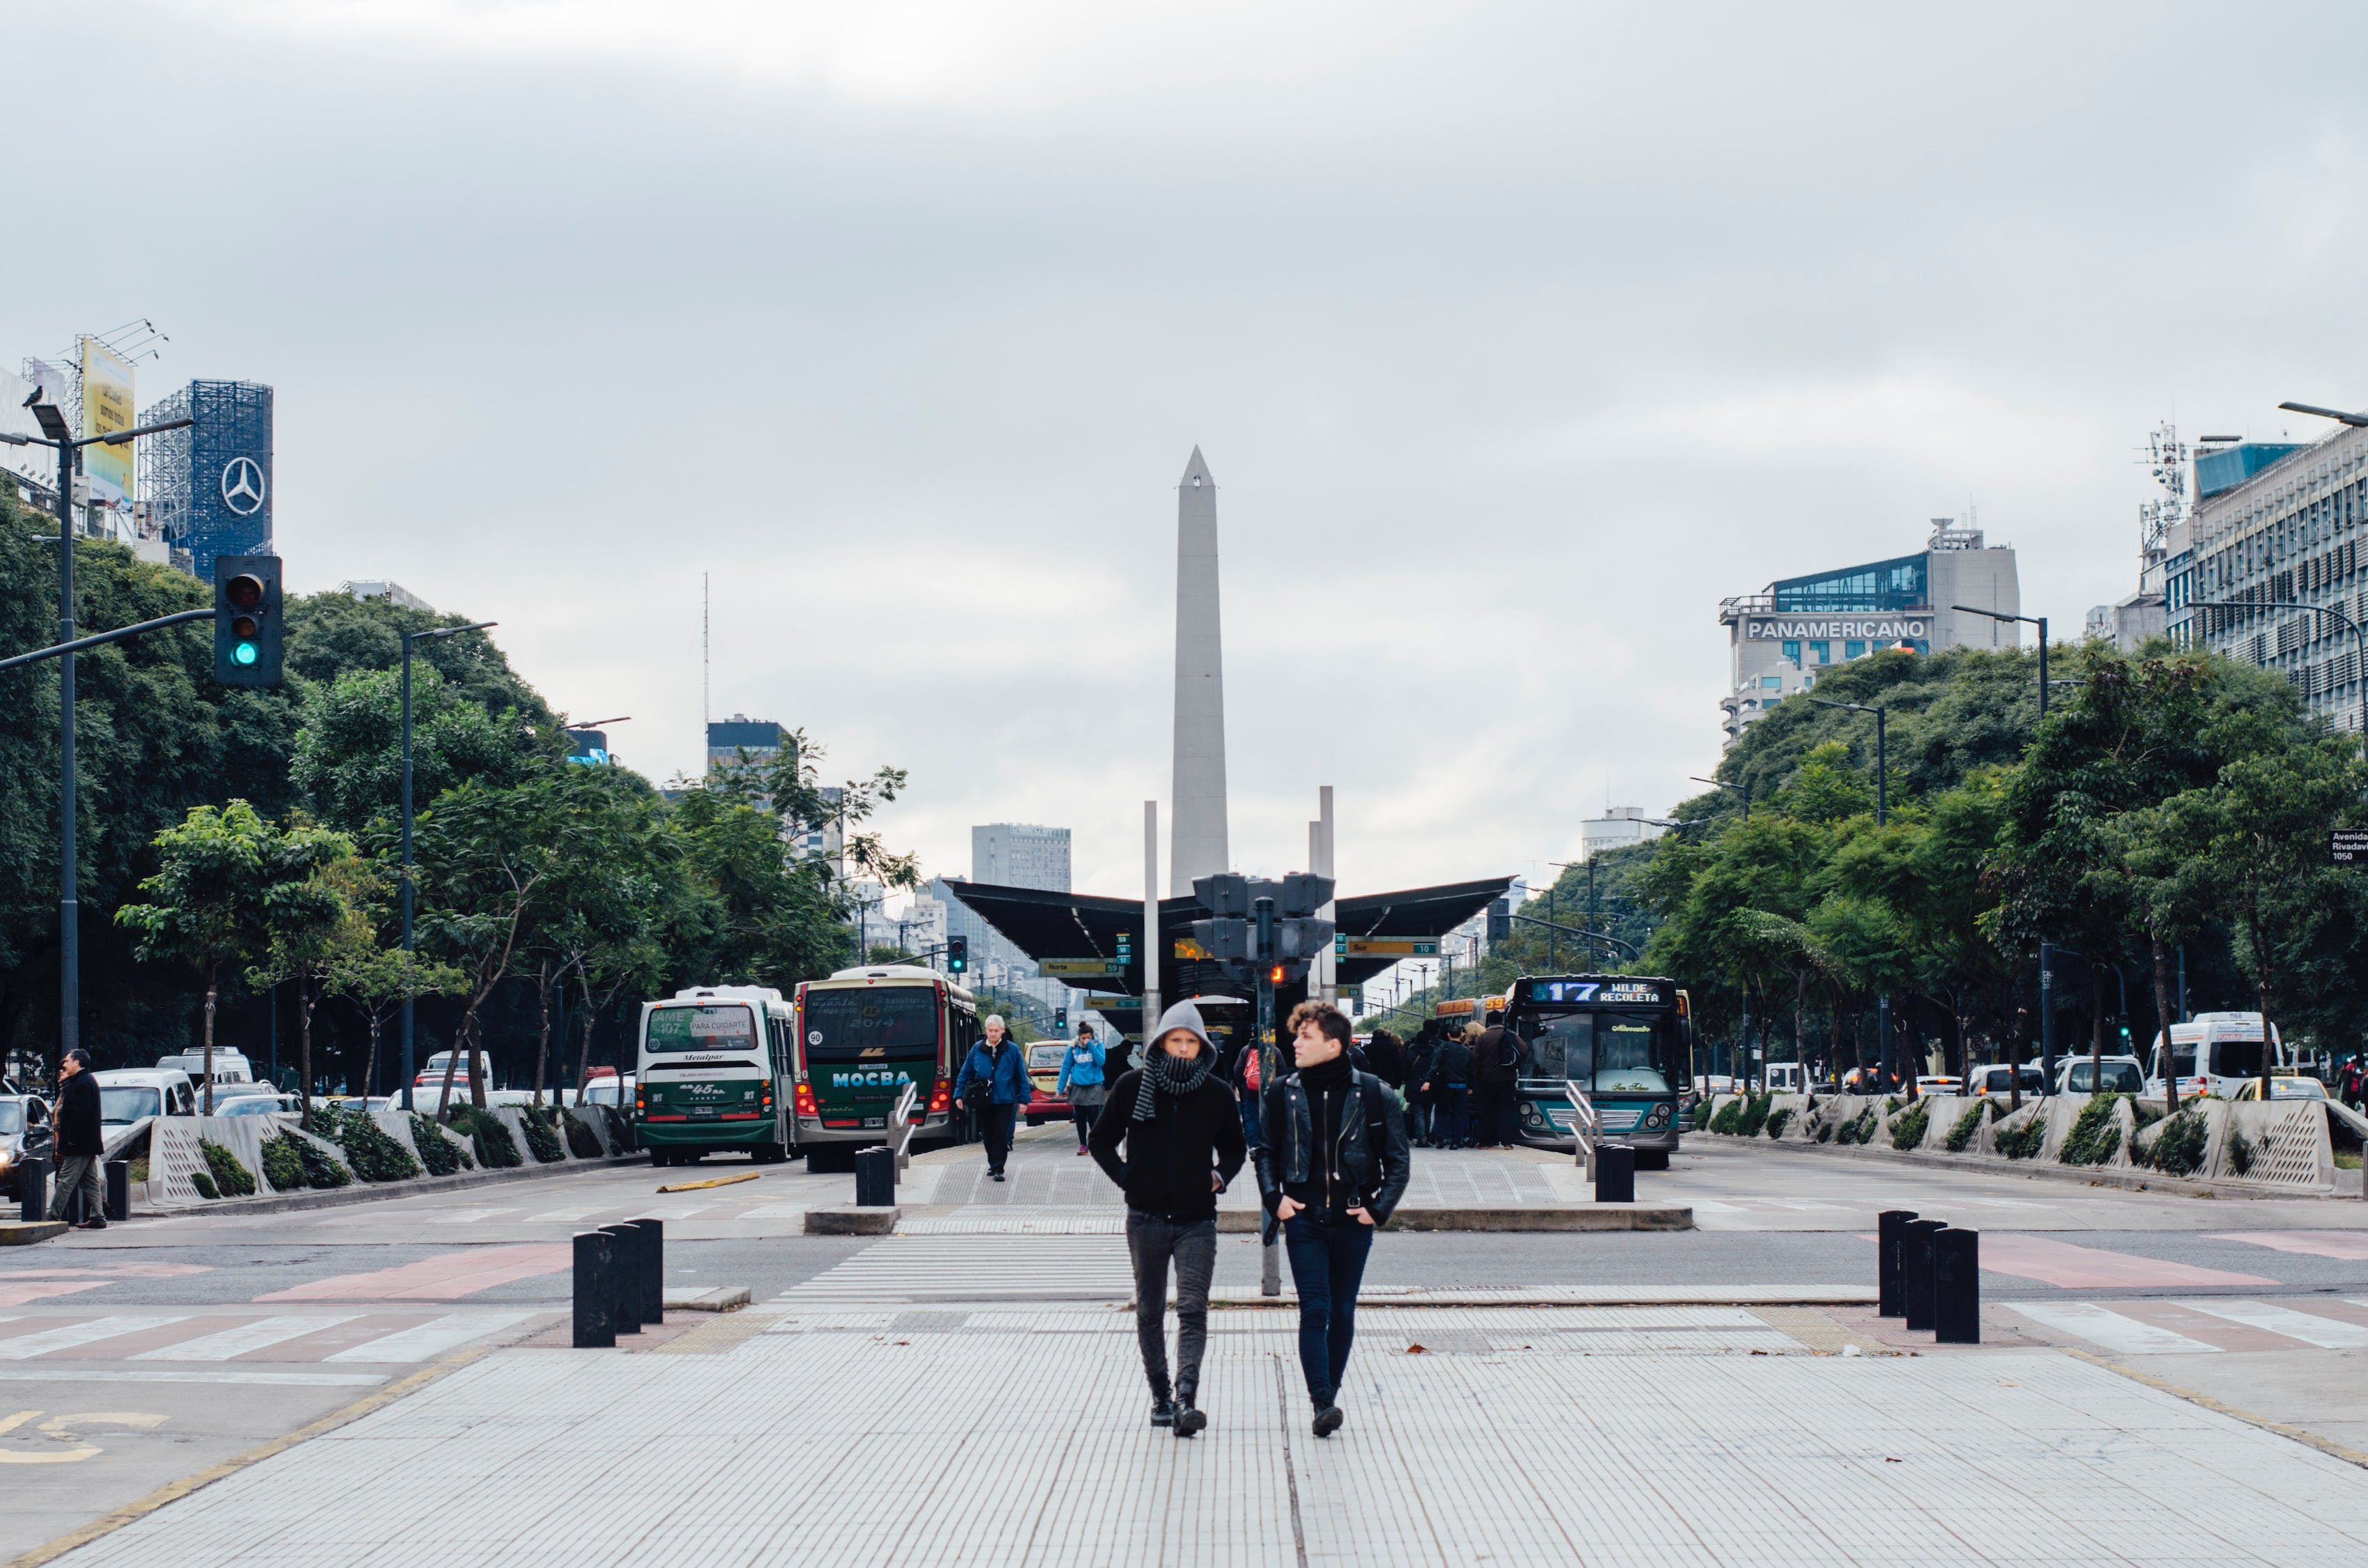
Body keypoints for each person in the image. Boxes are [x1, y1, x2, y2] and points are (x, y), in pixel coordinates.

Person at [1089, 1000, 1245, 1437]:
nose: (1181, 1049)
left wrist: (1219, 1176)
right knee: (1151, 1309)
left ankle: (1186, 1397)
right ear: (1161, 1043)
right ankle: (1159, 1395)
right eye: (1175, 1040)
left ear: (1202, 1047)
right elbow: (1100, 1140)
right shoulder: (1131, 1085)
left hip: (1198, 1219)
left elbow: (1236, 1148)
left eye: (1190, 1042)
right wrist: (1127, 1179)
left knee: (1193, 1308)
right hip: (1146, 1217)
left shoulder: (1216, 1093)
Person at [1255, 999, 1410, 1438]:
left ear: (1334, 1045)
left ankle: (1331, 1394)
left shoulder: (1375, 1094)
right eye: (1296, 1035)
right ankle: (1322, 1400)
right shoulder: (1280, 1092)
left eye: (1306, 1037)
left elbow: (1398, 1161)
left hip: (1351, 1218)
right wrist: (1274, 1200)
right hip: (1303, 1218)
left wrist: (1377, 1211)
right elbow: (1265, 1151)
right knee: (1315, 1310)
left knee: (1342, 1311)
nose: (1296, 1043)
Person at [954, 1015, 1030, 1182]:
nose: (994, 1034)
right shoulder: (977, 1049)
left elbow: (1021, 1076)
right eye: (990, 1031)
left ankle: (998, 1168)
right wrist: (958, 1095)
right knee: (987, 1134)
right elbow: (965, 1073)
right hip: (984, 1100)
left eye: (997, 1031)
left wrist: (1024, 1100)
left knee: (1001, 1134)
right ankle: (992, 1162)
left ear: (1003, 1031)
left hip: (1005, 1099)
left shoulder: (1012, 1050)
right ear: (986, 1031)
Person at [54, 1048, 105, 1230]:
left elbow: (81, 1115)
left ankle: (53, 1215)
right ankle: (98, 1217)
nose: (64, 1064)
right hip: (86, 1143)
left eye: (67, 1061)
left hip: (79, 1144)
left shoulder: (82, 1083)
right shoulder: (84, 1081)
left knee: (65, 1180)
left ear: (77, 1062)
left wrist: (72, 1139)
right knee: (89, 1181)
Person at [1469, 1022, 1527, 1148]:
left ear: (1489, 1022)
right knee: (1505, 1110)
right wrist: (1513, 1064)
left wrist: (1479, 1075)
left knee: (1486, 1110)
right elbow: (1524, 1049)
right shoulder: (1511, 1034)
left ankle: (1485, 1141)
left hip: (1487, 1080)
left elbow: (1475, 1057)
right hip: (1508, 1079)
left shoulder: (1484, 1037)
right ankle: (1507, 1142)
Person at [1057, 1021, 1108, 1155]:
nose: (1086, 1040)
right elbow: (1066, 1068)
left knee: (1093, 1115)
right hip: (1078, 1086)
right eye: (1084, 1038)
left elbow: (1101, 1061)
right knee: (1080, 1117)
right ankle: (1083, 1145)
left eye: (1089, 1038)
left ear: (1092, 1037)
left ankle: (1095, 1143)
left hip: (1094, 1086)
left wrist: (1090, 1046)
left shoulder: (1098, 1045)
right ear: (1079, 1037)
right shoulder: (1073, 1048)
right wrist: (1060, 1088)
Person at [1423, 1025, 1473, 1147]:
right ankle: (1456, 1141)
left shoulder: (1443, 1047)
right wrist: (1471, 1087)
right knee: (1459, 1114)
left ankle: (1442, 1138)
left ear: (1448, 1035)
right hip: (1462, 1087)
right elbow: (1471, 1071)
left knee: (1441, 1112)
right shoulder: (1467, 1051)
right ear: (1461, 1035)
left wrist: (1428, 1081)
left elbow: (1435, 1066)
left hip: (1445, 1086)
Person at [1403, 1024, 1437, 1146]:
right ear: (1429, 1040)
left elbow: (1405, 1070)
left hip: (1413, 1084)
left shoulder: (1410, 1052)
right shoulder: (1434, 1052)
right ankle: (1426, 1138)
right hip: (1429, 1084)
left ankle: (1421, 1138)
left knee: (1418, 1112)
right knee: (1428, 1112)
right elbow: (1435, 1068)